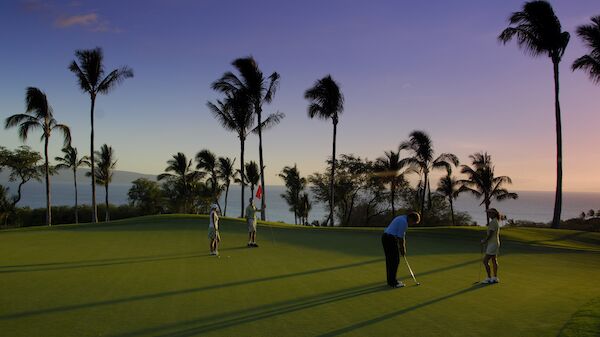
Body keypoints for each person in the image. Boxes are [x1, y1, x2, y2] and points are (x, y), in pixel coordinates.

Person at [381, 212, 421, 288]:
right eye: (413, 222)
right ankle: (393, 282)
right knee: (394, 261)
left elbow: (400, 235)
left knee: (391, 261)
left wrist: (401, 248)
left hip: (386, 238)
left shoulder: (401, 217)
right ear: (411, 218)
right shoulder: (404, 222)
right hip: (390, 239)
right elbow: (401, 238)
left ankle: (391, 281)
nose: (411, 224)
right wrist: (403, 249)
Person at [480, 208, 502, 284]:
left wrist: (484, 241)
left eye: (489, 213)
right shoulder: (495, 221)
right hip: (495, 243)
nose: (488, 214)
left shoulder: (493, 222)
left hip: (493, 244)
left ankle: (489, 278)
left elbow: (490, 234)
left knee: (485, 260)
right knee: (494, 260)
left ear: (493, 214)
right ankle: (495, 278)